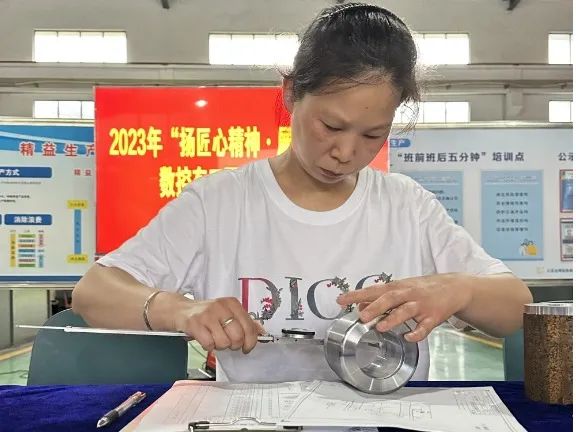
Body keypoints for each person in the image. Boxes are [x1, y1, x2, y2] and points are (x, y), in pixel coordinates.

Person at [72, 3, 532, 382]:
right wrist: (179, 310)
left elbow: (518, 308)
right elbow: (94, 292)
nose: (346, 152)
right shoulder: (220, 203)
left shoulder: (407, 206)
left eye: (373, 134)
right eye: (330, 125)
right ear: (291, 93)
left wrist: (458, 289)